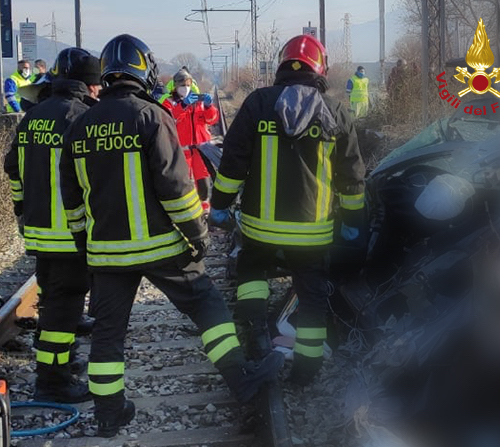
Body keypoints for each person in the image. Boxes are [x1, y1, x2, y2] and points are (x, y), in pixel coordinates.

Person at [59, 34, 284, 438]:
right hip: (163, 247)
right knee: (207, 307)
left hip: (107, 254)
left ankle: (108, 414)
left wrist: (83, 245)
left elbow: (71, 198)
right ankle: (242, 379)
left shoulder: (80, 125)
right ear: (143, 70)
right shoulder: (152, 116)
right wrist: (197, 235)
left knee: (108, 334)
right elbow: (176, 188)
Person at [209, 34, 366, 386]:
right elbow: (352, 177)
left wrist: (219, 206)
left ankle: (256, 340)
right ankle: (306, 371)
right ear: (321, 69)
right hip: (313, 233)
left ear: (282, 65)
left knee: (252, 274)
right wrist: (354, 221)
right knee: (311, 298)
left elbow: (233, 165)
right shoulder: (335, 111)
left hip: (259, 229)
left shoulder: (258, 104)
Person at [3, 47, 103, 403]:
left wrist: (21, 209)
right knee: (64, 309)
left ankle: (62, 363)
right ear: (89, 85)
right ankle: (53, 381)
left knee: (54, 301)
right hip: (71, 232)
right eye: (97, 85)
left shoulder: (34, 115)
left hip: (39, 230)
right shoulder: (83, 117)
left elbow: (13, 168)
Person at [162, 68, 219, 214]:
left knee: (203, 181)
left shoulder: (198, 102)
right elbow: (168, 120)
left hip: (201, 148)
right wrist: (183, 106)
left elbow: (212, 120)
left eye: (188, 84)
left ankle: (204, 209)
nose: (185, 88)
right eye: (182, 85)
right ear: (176, 86)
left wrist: (209, 107)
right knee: (184, 182)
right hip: (181, 149)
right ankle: (187, 211)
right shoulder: (169, 103)